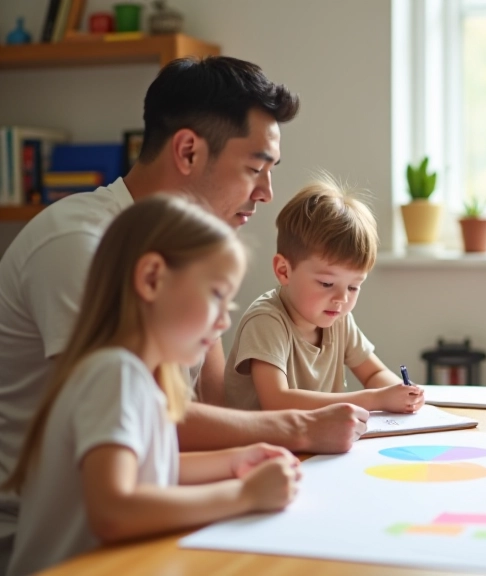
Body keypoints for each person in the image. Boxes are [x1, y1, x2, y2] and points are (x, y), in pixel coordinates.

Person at [0, 56, 365, 572]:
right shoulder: (81, 245)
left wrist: (247, 457)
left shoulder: (186, 266)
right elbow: (154, 426)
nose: (266, 193)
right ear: (189, 151)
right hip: (59, 549)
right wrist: (298, 427)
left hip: (149, 509)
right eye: (255, 168)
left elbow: (198, 407)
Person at [4, 197, 300, 575]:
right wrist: (243, 495)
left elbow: (153, 468)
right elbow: (113, 510)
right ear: (151, 278)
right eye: (216, 295)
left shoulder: (137, 376)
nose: (225, 321)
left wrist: (234, 460)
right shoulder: (113, 373)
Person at [223, 177, 424, 413]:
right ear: (284, 271)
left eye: (353, 287)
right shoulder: (266, 322)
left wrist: (402, 393)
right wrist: (376, 400)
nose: (341, 298)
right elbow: (277, 401)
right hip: (263, 445)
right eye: (327, 283)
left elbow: (373, 373)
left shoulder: (338, 318)